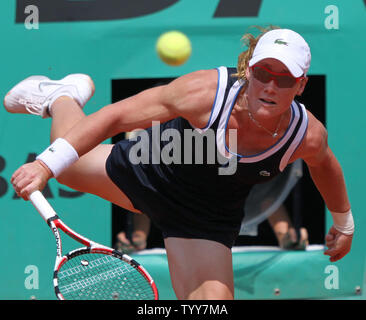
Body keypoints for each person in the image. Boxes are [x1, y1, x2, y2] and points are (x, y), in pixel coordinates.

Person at [5, 27, 354, 300]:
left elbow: (324, 165)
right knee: (67, 168)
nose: (271, 87)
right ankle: (61, 96)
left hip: (207, 219)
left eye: (285, 79)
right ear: (249, 70)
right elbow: (116, 117)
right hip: (150, 172)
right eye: (264, 73)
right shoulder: (203, 93)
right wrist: (46, 166)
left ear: (301, 85)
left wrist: (344, 224)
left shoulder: (306, 134)